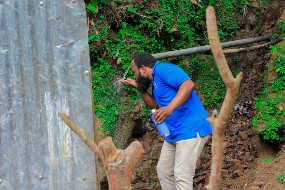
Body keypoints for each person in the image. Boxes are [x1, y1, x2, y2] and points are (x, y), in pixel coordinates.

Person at [121, 52, 212, 190]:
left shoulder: (164, 69)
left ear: (143, 68)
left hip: (191, 129)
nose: (134, 76)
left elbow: (188, 84)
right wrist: (140, 88)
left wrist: (170, 108)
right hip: (175, 133)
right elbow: (156, 107)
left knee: (182, 175)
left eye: (134, 72)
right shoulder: (155, 82)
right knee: (164, 171)